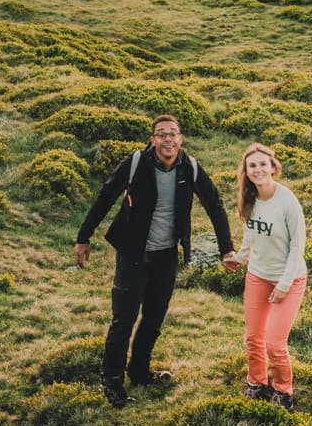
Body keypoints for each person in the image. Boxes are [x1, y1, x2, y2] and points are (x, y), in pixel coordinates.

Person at [75, 113, 234, 408]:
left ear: (180, 139)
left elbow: (215, 205)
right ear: (153, 140)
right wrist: (84, 237)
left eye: (172, 133)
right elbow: (105, 197)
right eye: (161, 134)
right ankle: (112, 382)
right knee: (123, 320)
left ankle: (139, 372)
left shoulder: (190, 167)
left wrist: (226, 249)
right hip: (132, 255)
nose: (167, 139)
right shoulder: (136, 163)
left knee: (153, 319)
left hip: (166, 256)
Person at [222, 142, 307, 411]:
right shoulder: (250, 198)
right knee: (253, 337)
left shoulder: (287, 201)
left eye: (262, 164)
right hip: (258, 275)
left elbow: (297, 246)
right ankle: (256, 382)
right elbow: (251, 236)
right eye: (252, 166)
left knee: (274, 343)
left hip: (289, 279)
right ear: (246, 172)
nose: (257, 169)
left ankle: (283, 390)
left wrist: (283, 284)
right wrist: (240, 258)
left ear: (272, 167)